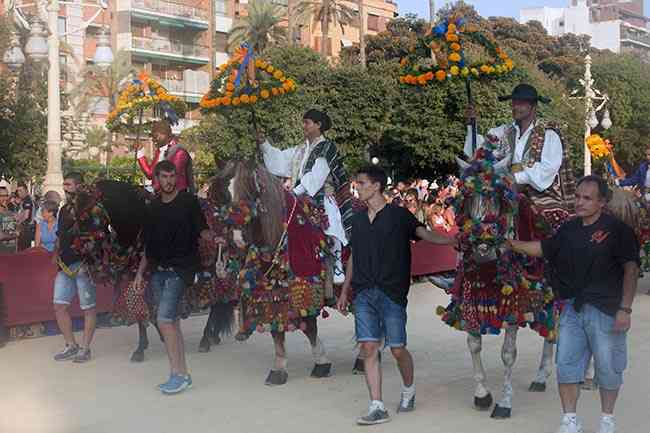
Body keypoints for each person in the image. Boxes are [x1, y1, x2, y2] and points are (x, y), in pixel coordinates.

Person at [508, 176, 639, 433]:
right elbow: (545, 248)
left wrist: (625, 309)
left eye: (587, 198)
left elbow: (631, 270)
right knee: (566, 367)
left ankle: (607, 420)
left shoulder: (617, 230)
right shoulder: (569, 229)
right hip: (572, 309)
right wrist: (512, 245)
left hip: (607, 311)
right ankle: (570, 420)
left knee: (608, 369)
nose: (579, 202)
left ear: (602, 202)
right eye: (577, 196)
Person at [336, 165, 457, 426]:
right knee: (368, 347)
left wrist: (452, 241)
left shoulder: (399, 216)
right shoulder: (356, 220)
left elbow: (424, 234)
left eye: (362, 183)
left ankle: (409, 388)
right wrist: (345, 291)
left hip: (392, 291)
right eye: (356, 183)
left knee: (398, 349)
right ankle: (377, 405)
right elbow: (353, 256)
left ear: (377, 186)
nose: (357, 187)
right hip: (364, 292)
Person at [134, 160, 211, 395]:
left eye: (172, 176)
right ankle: (182, 374)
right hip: (158, 271)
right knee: (173, 323)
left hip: (181, 270)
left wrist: (219, 241)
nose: (168, 181)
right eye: (164, 177)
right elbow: (148, 245)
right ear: (157, 179)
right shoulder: (153, 207)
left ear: (177, 177)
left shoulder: (188, 201)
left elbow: (203, 230)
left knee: (164, 320)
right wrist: (139, 273)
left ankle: (176, 374)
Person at [258, 109, 353, 286]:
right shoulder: (300, 150)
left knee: (331, 223)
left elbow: (317, 175)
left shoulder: (327, 147)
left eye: (307, 122)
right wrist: (264, 143)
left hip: (321, 195)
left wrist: (295, 192)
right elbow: (279, 161)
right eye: (304, 122)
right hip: (297, 197)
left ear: (319, 125)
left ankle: (338, 264)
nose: (304, 126)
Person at [465, 83, 574, 231]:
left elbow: (548, 169)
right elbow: (479, 153)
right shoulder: (502, 131)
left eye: (521, 104)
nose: (515, 107)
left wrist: (515, 179)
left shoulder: (548, 134)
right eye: (514, 103)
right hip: (501, 189)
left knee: (544, 220)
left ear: (534, 107)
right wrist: (472, 125)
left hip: (538, 193)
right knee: (473, 211)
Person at [52, 173, 100, 363]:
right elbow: (60, 234)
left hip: (83, 266)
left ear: (79, 186)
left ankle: (85, 348)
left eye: (69, 184)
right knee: (59, 306)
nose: (65, 188)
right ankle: (71, 345)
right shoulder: (63, 210)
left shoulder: (91, 209)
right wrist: (56, 252)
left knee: (88, 308)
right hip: (64, 265)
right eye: (64, 184)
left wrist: (88, 260)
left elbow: (98, 236)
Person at [136, 119, 194, 193]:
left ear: (165, 134)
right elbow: (150, 174)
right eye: (153, 137)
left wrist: (150, 190)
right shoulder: (159, 152)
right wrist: (140, 152)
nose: (153, 140)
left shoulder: (179, 152)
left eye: (156, 136)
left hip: (177, 197)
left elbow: (171, 179)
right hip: (161, 196)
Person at [15, 182, 35, 250]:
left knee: (23, 250)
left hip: (26, 229)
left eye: (21, 190)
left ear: (26, 191)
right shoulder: (25, 200)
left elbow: (26, 216)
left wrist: (17, 224)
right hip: (25, 228)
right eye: (18, 191)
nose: (19, 193)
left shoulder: (27, 200)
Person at [0, 186, 17, 253]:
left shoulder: (10, 212)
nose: (5, 198)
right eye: (2, 196)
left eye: (6, 195)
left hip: (11, 251)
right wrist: (15, 235)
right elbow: (1, 236)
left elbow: (15, 229)